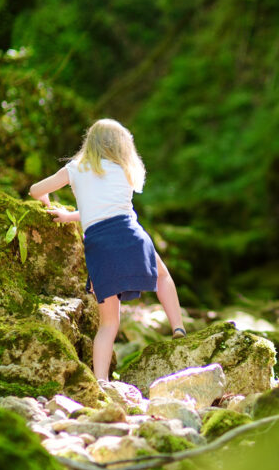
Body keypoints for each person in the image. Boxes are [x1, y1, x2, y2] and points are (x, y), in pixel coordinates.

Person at [29, 119, 185, 381]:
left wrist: (49, 202)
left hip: (100, 245)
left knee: (109, 323)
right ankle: (178, 327)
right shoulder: (123, 168)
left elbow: (35, 191)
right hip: (130, 234)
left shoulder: (75, 168)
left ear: (89, 143)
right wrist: (70, 217)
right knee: (163, 277)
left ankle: (101, 383)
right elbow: (110, 209)